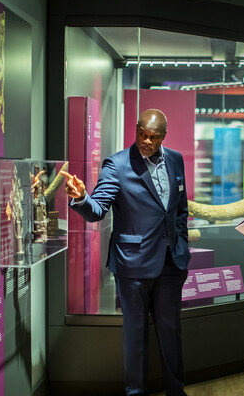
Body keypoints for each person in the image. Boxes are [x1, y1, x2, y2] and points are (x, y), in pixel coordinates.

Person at [62, 108, 190, 396]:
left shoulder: (176, 160)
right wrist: (82, 198)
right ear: (136, 130)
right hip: (133, 266)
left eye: (152, 137)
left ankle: (176, 391)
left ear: (163, 137)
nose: (145, 141)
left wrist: (181, 243)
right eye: (141, 134)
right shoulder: (117, 164)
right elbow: (97, 211)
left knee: (171, 334)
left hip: (171, 264)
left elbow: (180, 209)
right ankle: (135, 392)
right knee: (135, 336)